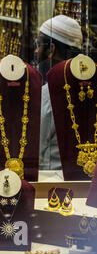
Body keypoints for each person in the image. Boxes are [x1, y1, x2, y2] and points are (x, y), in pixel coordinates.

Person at [35, 15, 83, 170]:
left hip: (53, 182)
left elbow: (36, 150)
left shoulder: (48, 95)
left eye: (39, 44)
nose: (36, 51)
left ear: (51, 50)